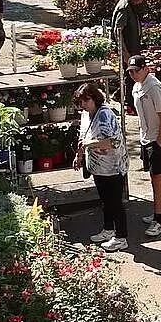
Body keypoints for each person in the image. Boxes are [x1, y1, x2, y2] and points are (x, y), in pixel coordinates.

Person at [72, 82, 128, 252]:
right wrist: (79, 156)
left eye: (86, 101)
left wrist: (90, 144)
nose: (83, 105)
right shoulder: (85, 115)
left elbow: (114, 142)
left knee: (115, 202)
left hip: (113, 167)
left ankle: (121, 237)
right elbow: (83, 137)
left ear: (94, 98)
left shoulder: (105, 114)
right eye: (80, 102)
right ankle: (108, 229)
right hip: (98, 167)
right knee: (105, 201)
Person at [126, 54, 161, 237]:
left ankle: (158, 220)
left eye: (137, 71)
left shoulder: (154, 88)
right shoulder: (137, 87)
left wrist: (159, 141)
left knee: (157, 177)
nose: (133, 74)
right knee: (154, 176)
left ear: (146, 69)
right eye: (131, 71)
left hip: (156, 139)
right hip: (146, 137)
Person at [110, 0, 148, 111]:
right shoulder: (124, 7)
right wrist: (125, 53)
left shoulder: (130, 5)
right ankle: (129, 104)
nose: (142, 0)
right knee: (130, 75)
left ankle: (120, 95)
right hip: (127, 49)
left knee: (130, 74)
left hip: (132, 46)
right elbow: (118, 31)